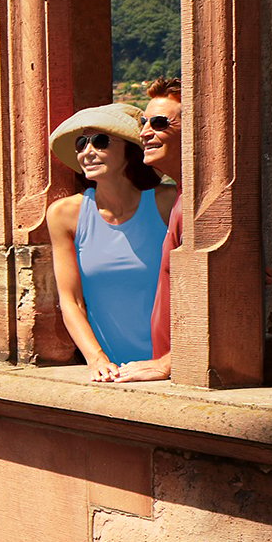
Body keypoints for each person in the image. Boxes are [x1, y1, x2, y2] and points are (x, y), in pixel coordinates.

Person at [47, 103, 175, 380]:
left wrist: (170, 362)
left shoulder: (168, 203)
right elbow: (71, 300)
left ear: (130, 150)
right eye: (81, 144)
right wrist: (96, 360)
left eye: (100, 142)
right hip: (112, 372)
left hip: (168, 369)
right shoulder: (64, 215)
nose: (87, 152)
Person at [112, 78, 182, 383]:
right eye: (143, 122)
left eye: (158, 122)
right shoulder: (182, 197)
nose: (144, 132)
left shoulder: (202, 205)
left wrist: (170, 362)